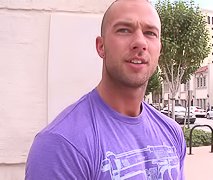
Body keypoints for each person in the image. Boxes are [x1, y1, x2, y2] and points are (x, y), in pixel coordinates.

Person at [25, 0, 186, 179]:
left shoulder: (172, 132)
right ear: (101, 47)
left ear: (159, 50)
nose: (140, 42)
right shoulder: (61, 144)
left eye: (150, 33)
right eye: (124, 30)